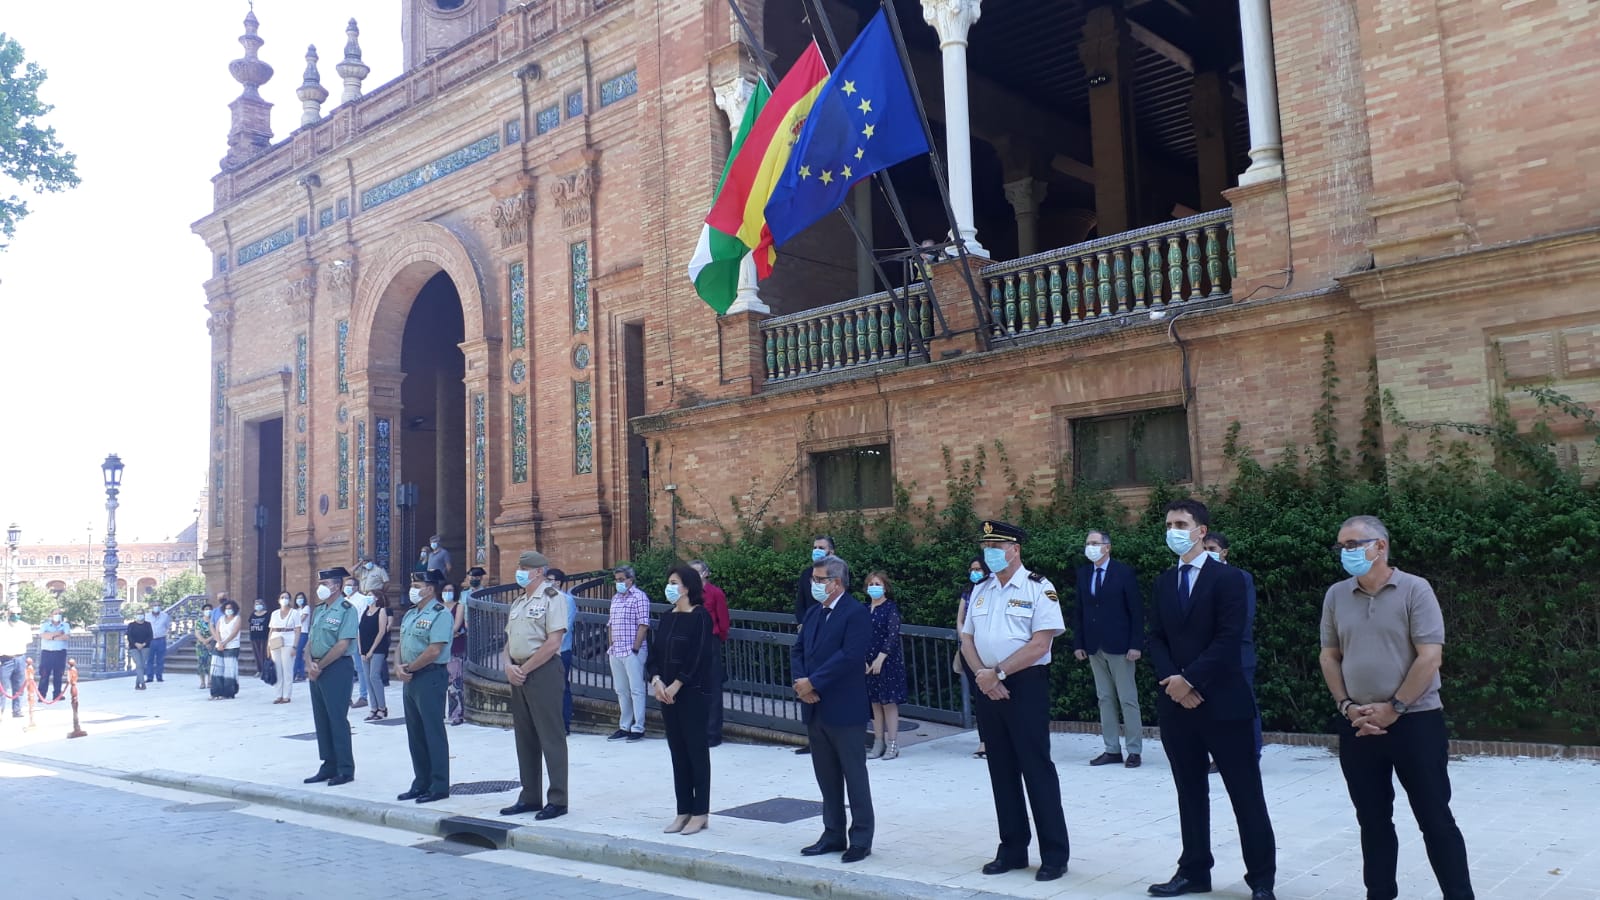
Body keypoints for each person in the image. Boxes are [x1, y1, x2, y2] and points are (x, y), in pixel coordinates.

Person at [1319, 515, 1474, 900]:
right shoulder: (1336, 595)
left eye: (1353, 545)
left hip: (1416, 723)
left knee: (1435, 819)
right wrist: (1347, 706)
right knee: (1372, 821)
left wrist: (1396, 707)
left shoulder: (1415, 590)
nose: (1346, 553)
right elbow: (1329, 656)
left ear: (1380, 547)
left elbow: (1429, 657)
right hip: (1358, 725)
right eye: (1341, 547)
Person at [1147, 499, 1276, 900]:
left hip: (1224, 702)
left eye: (1181, 523)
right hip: (1177, 706)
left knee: (1245, 794)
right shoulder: (1164, 582)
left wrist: (1190, 680)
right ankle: (1194, 871)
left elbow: (1228, 638)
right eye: (1169, 523)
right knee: (1189, 791)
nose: (1173, 530)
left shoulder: (1230, 579)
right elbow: (1156, 637)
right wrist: (1174, 682)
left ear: (1201, 531)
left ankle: (1261, 880)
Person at [960, 520, 1070, 883]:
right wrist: (983, 676)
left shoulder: (1040, 588)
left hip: (1024, 686)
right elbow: (967, 642)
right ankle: (1012, 849)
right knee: (1001, 770)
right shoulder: (981, 590)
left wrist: (1000, 674)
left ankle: (1054, 854)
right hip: (987, 684)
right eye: (986, 544)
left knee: (1036, 769)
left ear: (1015, 549)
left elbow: (1041, 643)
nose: (989, 551)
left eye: (996, 544)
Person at [791, 554, 874, 863]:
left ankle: (861, 838)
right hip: (815, 707)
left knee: (854, 775)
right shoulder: (814, 613)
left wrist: (815, 682)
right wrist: (802, 682)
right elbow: (798, 649)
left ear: (836, 583)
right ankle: (833, 833)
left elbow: (850, 656)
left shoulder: (855, 613)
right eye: (813, 579)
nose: (813, 585)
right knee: (826, 776)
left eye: (819, 580)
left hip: (843, 707)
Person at [499, 550, 571, 820]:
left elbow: (554, 642)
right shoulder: (518, 602)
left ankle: (558, 799)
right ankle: (529, 795)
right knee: (525, 737)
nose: (519, 571)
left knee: (550, 736)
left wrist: (524, 669)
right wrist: (508, 665)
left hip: (542, 671)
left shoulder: (554, 598)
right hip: (518, 670)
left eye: (524, 567)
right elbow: (509, 639)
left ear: (538, 571)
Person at [649, 564, 715, 835]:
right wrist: (656, 680)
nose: (670, 586)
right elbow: (654, 654)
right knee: (678, 753)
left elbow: (698, 656)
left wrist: (677, 684)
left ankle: (701, 812)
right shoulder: (667, 617)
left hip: (691, 693)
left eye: (674, 582)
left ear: (687, 587)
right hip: (666, 694)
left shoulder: (700, 617)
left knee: (696, 752)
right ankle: (683, 810)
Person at [1073, 529, 1146, 768]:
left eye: (1094, 543)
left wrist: (1136, 644)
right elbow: (1080, 611)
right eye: (1087, 543)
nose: (1090, 547)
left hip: (1121, 646)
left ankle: (1134, 750)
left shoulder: (1123, 572)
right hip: (1094, 646)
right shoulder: (1084, 574)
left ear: (1107, 547)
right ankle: (1111, 749)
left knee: (1127, 699)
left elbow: (1135, 610)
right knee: (1104, 698)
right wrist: (1079, 643)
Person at [395, 569, 455, 803]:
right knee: (415, 733)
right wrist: (399, 666)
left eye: (417, 585)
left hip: (429, 676)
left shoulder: (440, 614)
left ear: (430, 589)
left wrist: (410, 668)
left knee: (433, 731)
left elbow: (434, 650)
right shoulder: (411, 614)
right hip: (410, 678)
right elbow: (402, 642)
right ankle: (421, 782)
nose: (413, 589)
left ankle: (439, 785)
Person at [1204, 532, 1261, 762]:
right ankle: (1220, 754)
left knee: (1245, 704)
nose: (1208, 553)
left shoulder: (1240, 577)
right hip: (1209, 655)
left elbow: (1245, 616)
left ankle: (1252, 753)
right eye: (1204, 548)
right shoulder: (1201, 578)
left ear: (1224, 552)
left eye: (1212, 549)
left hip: (1238, 652)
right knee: (1214, 707)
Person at [304, 567, 360, 786]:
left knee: (337, 718)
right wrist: (309, 662)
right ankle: (328, 764)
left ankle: (345, 768)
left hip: (336, 668)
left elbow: (343, 643)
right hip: (317, 668)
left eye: (325, 584)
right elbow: (310, 640)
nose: (321, 588)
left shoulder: (347, 610)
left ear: (337, 586)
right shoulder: (319, 610)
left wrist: (320, 665)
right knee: (322, 719)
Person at [863, 571, 907, 761]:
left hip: (888, 661)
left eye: (877, 583)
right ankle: (878, 741)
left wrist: (881, 658)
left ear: (885, 587)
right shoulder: (864, 609)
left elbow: (892, 634)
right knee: (874, 703)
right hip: (867, 661)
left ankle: (893, 743)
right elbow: (858, 634)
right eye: (871, 584)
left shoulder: (890, 608)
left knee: (888, 702)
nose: (874, 587)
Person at [606, 565, 651, 742]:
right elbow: (611, 624)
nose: (618, 583)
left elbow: (643, 624)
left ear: (630, 579)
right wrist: (611, 645)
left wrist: (635, 648)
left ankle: (638, 727)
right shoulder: (615, 598)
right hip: (616, 650)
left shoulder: (639, 597)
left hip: (632, 650)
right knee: (621, 690)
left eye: (621, 579)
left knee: (636, 690)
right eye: (616, 580)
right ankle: (624, 726)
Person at [689, 559, 729, 746]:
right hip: (692, 643)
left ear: (705, 573)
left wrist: (715, 639)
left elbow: (723, 622)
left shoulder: (715, 593)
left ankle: (713, 734)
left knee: (713, 688)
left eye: (696, 572)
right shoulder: (688, 593)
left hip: (710, 642)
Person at [956, 556, 990, 758]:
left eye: (978, 569)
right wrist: (966, 640)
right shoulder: (968, 592)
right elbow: (960, 620)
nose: (974, 572)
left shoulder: (993, 590)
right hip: (970, 651)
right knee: (979, 696)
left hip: (987, 649)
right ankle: (984, 741)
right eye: (971, 569)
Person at [543, 567, 579, 735]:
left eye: (549, 580)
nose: (547, 583)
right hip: (544, 650)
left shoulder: (567, 600)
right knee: (547, 688)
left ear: (558, 582)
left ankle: (564, 724)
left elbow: (566, 625)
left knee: (562, 687)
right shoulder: (544, 599)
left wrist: (553, 645)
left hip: (561, 650)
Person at [359, 587, 392, 720]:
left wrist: (372, 650)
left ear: (376, 598)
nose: (368, 596)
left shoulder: (381, 611)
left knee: (374, 676)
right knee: (367, 678)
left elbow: (381, 631)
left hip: (377, 648)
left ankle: (382, 708)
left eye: (370, 595)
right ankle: (373, 708)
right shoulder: (365, 611)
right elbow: (359, 631)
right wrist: (362, 650)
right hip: (364, 649)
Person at [344, 574, 374, 711]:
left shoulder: (362, 600)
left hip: (356, 636)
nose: (348, 587)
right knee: (346, 667)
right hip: (343, 638)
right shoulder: (343, 600)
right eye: (346, 585)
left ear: (356, 587)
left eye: (350, 585)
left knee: (360, 668)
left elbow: (362, 618)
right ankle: (346, 696)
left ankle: (363, 696)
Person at [441, 580, 467, 725]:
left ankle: (457, 714)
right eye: (445, 590)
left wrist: (441, 635)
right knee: (440, 683)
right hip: (439, 649)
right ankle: (440, 713)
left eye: (450, 590)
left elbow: (456, 626)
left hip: (455, 648)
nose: (447, 593)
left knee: (455, 683)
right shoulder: (438, 607)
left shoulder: (459, 606)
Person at [268, 592, 300, 704]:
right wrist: (268, 645)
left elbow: (297, 630)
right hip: (275, 640)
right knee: (277, 669)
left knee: (287, 668)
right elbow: (271, 629)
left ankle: (286, 695)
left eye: (286, 597)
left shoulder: (294, 613)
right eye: (282, 597)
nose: (284, 599)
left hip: (289, 640)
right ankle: (278, 695)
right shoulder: (274, 613)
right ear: (278, 600)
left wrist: (295, 646)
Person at [210, 599, 242, 699]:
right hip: (219, 646)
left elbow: (234, 632)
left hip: (232, 646)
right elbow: (217, 631)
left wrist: (225, 642)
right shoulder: (221, 618)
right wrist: (219, 642)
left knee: (229, 670)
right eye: (227, 608)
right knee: (216, 669)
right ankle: (216, 692)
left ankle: (228, 693)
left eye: (230, 608)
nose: (228, 610)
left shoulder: (237, 618)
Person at [37, 608, 70, 701]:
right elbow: (43, 635)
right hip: (47, 653)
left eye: (59, 613)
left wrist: (51, 636)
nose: (57, 615)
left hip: (60, 653)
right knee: (44, 674)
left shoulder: (65, 625)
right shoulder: (45, 625)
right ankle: (41, 695)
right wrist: (58, 633)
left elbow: (66, 637)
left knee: (58, 675)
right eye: (55, 613)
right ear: (51, 615)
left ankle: (57, 694)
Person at [0, 605, 25, 715]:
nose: (16, 616)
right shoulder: (2, 626)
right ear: (8, 614)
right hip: (5, 659)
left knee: (19, 686)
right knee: (2, 687)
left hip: (20, 657)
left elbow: (27, 641)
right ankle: (1, 711)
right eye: (13, 613)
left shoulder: (24, 626)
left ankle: (17, 710)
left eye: (18, 613)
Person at [126, 608, 154, 690]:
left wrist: (144, 644)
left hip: (145, 647)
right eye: (138, 614)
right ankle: (143, 683)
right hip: (134, 648)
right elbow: (129, 636)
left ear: (144, 615)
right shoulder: (131, 625)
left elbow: (150, 636)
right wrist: (136, 644)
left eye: (141, 613)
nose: (140, 615)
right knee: (139, 664)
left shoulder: (148, 624)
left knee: (141, 665)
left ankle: (137, 684)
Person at [147, 600, 172, 682]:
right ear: (151, 606)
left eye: (158, 605)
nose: (156, 607)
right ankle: (149, 677)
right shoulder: (147, 616)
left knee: (160, 659)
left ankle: (159, 676)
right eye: (155, 605)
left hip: (161, 640)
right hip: (150, 640)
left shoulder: (165, 616)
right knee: (149, 659)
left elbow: (167, 626)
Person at [248, 599, 272, 683]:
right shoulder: (252, 615)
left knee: (263, 654)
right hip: (254, 637)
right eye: (256, 604)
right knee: (257, 654)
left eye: (260, 604)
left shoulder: (267, 614)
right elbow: (250, 623)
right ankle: (259, 670)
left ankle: (264, 670)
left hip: (264, 637)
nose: (258, 605)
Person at [194, 602, 214, 691]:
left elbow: (216, 632)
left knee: (211, 663)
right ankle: (202, 682)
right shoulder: (199, 621)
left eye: (209, 609)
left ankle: (210, 681)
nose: (208, 611)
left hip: (212, 644)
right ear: (203, 611)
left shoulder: (214, 621)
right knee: (201, 663)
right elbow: (197, 633)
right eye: (206, 609)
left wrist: (209, 640)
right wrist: (204, 642)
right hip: (201, 645)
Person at [292, 592, 311, 681]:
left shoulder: (306, 608)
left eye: (301, 598)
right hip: (296, 633)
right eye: (298, 598)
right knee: (298, 655)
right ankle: (302, 674)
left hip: (303, 633)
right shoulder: (296, 610)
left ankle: (294, 674)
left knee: (298, 652)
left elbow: (301, 620)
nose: (299, 600)